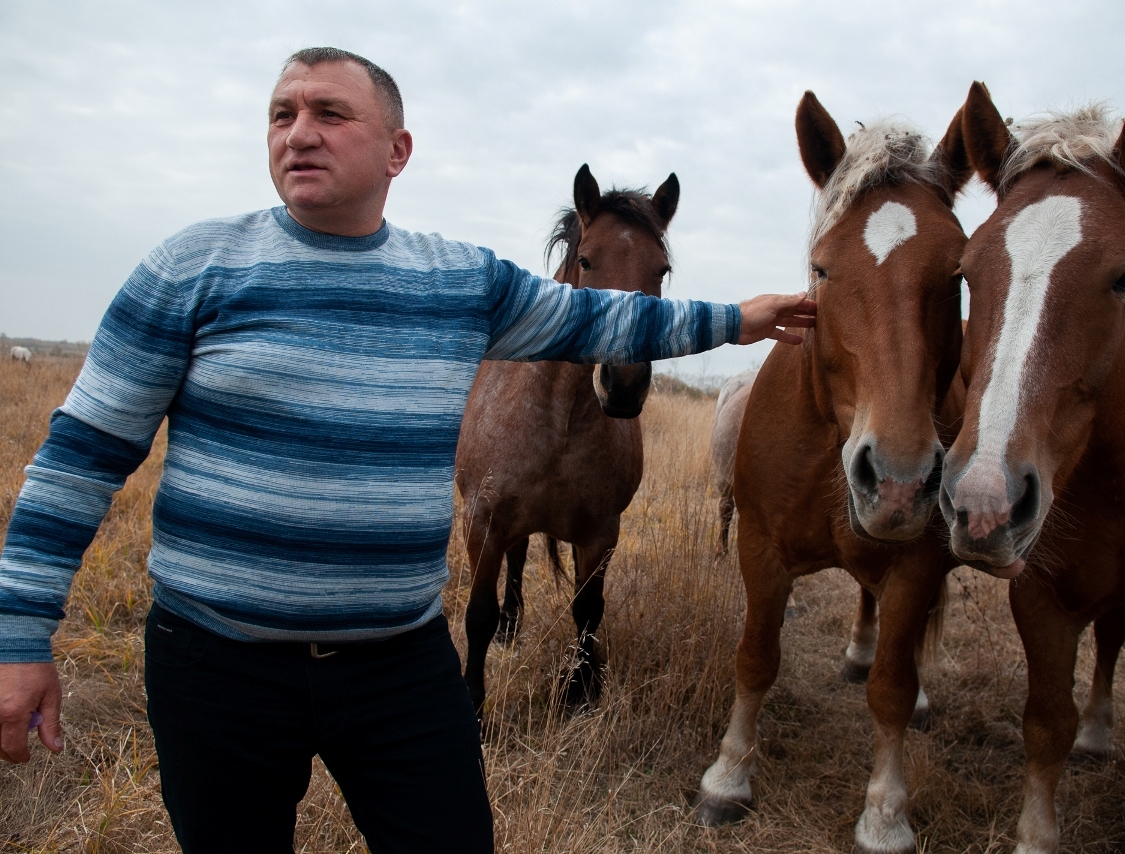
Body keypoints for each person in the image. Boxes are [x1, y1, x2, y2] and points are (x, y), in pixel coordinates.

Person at [0, 47, 815, 853]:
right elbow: (78, 457)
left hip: (399, 662)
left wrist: (741, 319)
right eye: (282, 115)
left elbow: (610, 318)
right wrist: (20, 635)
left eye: (329, 113)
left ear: (397, 151)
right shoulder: (191, 268)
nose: (299, 134)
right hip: (218, 666)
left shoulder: (458, 282)